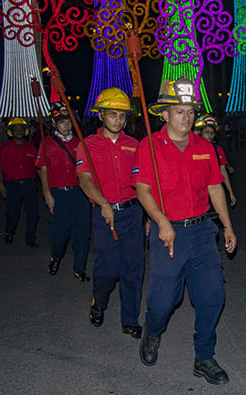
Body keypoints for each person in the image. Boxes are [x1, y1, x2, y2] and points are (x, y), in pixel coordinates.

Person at [133, 77, 237, 384]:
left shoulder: (205, 147)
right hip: (168, 234)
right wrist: (162, 221)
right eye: (179, 111)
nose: (187, 116)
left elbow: (214, 186)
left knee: (212, 296)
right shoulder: (149, 147)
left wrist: (227, 225)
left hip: (203, 232)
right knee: (164, 301)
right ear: (164, 114)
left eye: (190, 111)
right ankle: (152, 333)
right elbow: (142, 190)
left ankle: (204, 357)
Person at [76, 88, 145, 338]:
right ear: (101, 116)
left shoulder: (135, 145)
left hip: (132, 213)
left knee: (133, 268)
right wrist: (103, 203)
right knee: (109, 268)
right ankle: (99, 300)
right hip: (104, 214)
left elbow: (142, 183)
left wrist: (147, 215)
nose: (117, 120)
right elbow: (85, 181)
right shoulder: (87, 146)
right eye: (112, 114)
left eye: (121, 116)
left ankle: (129, 319)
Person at [36, 102, 91, 281]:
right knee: (58, 234)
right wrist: (47, 194)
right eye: (62, 122)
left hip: (79, 193)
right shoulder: (47, 143)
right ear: (54, 124)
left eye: (68, 122)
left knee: (81, 233)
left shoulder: (80, 142)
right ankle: (56, 256)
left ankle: (79, 268)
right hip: (58, 193)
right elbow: (43, 169)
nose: (66, 125)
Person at [0, 118, 40, 247]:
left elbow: (38, 167)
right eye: (16, 129)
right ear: (11, 132)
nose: (19, 131)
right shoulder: (4, 148)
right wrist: (1, 185)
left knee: (33, 213)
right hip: (12, 185)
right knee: (12, 212)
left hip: (29, 184)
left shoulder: (31, 147)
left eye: (21, 129)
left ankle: (30, 239)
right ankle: (9, 232)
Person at [194, 115, 236, 208]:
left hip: (214, 190)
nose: (210, 135)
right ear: (199, 132)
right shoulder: (192, 150)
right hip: (197, 193)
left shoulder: (217, 150)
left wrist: (230, 192)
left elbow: (223, 171)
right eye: (206, 132)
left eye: (212, 133)